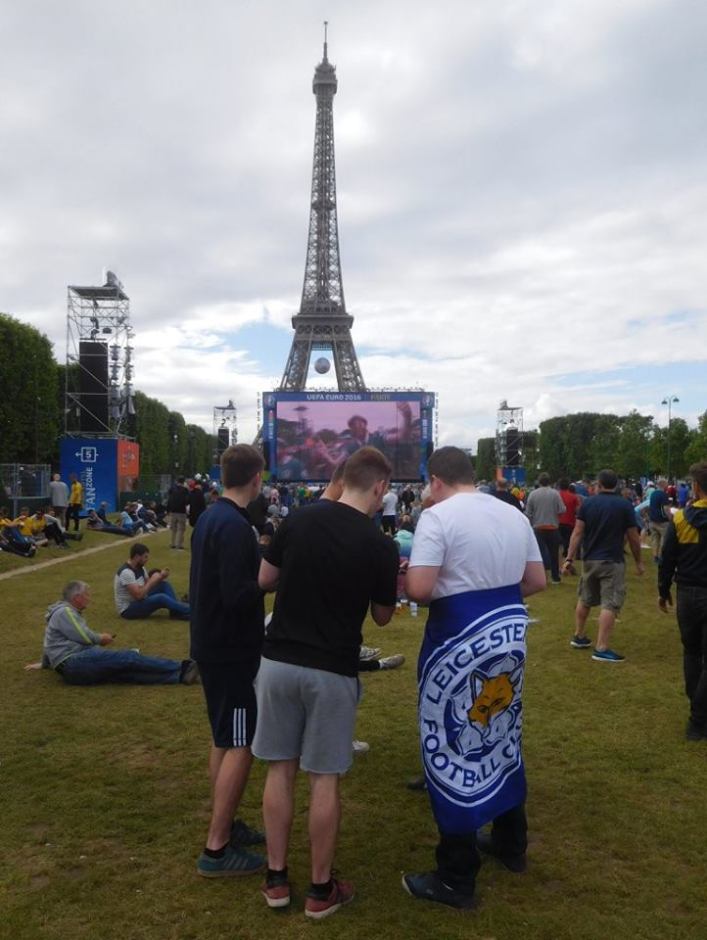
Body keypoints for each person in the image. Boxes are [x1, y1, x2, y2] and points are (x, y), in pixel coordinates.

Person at [254, 446, 399, 918]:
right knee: (324, 779)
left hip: (278, 660)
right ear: (380, 487)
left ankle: (276, 879)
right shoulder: (380, 544)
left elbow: (265, 579)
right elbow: (382, 617)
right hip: (332, 669)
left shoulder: (298, 519)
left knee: (279, 769)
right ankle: (320, 889)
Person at [402, 446, 545, 910]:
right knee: (503, 730)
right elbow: (537, 581)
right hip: (507, 631)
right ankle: (510, 841)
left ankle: (456, 875)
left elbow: (420, 589)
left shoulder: (438, 517)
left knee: (452, 740)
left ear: (436, 480)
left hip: (457, 636)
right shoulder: (512, 513)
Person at [190, 444, 268, 878]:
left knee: (224, 738)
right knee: (241, 742)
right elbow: (239, 595)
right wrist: (272, 580)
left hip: (211, 643)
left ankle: (227, 821)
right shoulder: (237, 527)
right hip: (232, 650)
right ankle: (216, 848)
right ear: (257, 479)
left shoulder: (211, 517)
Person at [26, 580, 200, 685]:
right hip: (74, 662)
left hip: (73, 668)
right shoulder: (65, 612)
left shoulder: (60, 613)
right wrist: (101, 638)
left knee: (125, 673)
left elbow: (49, 641)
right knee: (128, 657)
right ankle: (184, 667)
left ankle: (178, 677)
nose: (89, 598)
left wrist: (45, 663)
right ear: (77, 598)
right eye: (86, 595)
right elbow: (85, 637)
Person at [563, 468, 644, 662]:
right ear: (616, 484)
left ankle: (579, 635)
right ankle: (601, 647)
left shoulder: (588, 503)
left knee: (585, 598)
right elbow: (633, 537)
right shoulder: (624, 505)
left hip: (590, 559)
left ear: (598, 484)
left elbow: (577, 532)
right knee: (610, 603)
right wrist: (638, 561)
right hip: (612, 560)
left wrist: (569, 558)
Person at [658, 462, 707, 740]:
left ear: (696, 487)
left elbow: (667, 559)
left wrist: (663, 590)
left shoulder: (680, 520)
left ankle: (696, 712)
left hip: (687, 593)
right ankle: (699, 719)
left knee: (691, 652)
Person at [114, 543, 191, 620]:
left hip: (140, 599)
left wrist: (161, 577)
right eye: (145, 557)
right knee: (161, 598)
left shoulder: (141, 568)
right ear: (137, 557)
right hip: (128, 609)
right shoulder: (126, 572)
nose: (147, 559)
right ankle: (191, 611)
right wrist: (152, 581)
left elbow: (148, 586)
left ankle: (175, 612)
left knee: (164, 585)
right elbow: (138, 596)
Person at [525, 473, 565, 583]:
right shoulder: (555, 493)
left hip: (538, 527)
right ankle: (555, 577)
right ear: (549, 481)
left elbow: (528, 512)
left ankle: (542, 577)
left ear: (539, 482)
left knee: (539, 554)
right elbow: (562, 509)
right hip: (552, 527)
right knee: (554, 554)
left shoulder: (533, 494)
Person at [648, 478, 672, 563]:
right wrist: (670, 518)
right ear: (663, 484)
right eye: (666, 484)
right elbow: (666, 509)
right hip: (662, 521)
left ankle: (655, 556)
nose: (667, 485)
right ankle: (662, 556)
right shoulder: (664, 495)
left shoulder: (653, 494)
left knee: (655, 539)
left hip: (652, 519)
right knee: (664, 539)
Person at [167, 477, 189, 550]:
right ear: (183, 482)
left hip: (173, 511)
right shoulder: (185, 490)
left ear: (177, 481)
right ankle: (179, 545)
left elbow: (169, 499)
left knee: (173, 529)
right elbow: (187, 500)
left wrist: (168, 510)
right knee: (181, 529)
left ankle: (172, 543)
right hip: (182, 511)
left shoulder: (172, 489)